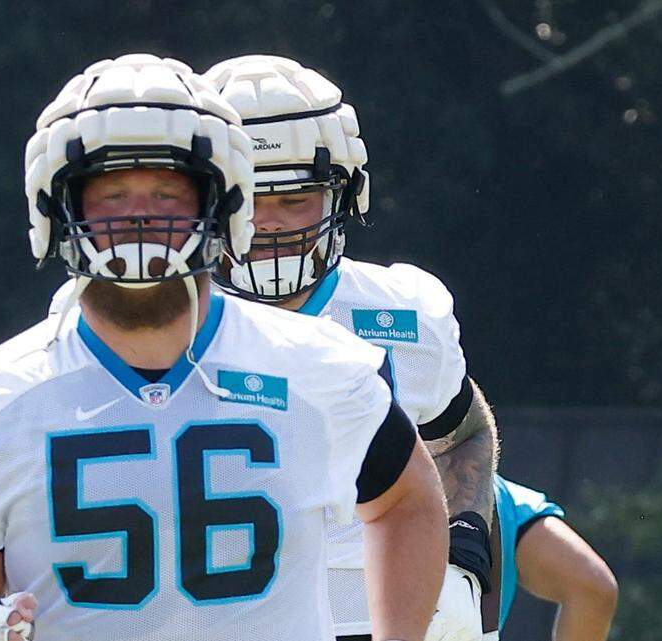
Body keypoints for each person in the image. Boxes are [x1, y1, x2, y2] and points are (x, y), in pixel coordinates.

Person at [0, 54, 449, 641]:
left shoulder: (317, 368)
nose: (140, 218)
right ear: (59, 208)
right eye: (112, 195)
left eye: (167, 194)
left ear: (220, 204)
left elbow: (407, 502)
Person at [199, 55, 500, 641]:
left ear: (345, 194)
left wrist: (465, 557)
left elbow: (462, 432)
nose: (270, 225)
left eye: (295, 199)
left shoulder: (407, 313)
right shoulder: (161, 328)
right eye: (249, 199)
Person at [486, 476, 617, 641]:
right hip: (458, 483)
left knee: (593, 589)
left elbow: (591, 591)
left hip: (485, 487)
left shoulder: (504, 503)